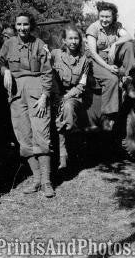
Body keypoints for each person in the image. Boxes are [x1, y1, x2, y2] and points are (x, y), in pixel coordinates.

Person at [0, 11, 55, 198]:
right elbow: (1, 63)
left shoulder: (39, 44)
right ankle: (36, 179)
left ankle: (47, 182)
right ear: (15, 26)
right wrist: (5, 70)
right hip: (15, 93)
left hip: (36, 89)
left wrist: (45, 95)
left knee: (41, 134)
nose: (22, 28)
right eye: (19, 25)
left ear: (31, 26)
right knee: (24, 136)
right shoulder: (8, 44)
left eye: (25, 24)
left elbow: (47, 72)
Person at [85, 1, 135, 130]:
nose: (104, 19)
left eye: (107, 17)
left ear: (113, 17)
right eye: (102, 16)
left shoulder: (117, 26)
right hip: (96, 61)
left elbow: (129, 37)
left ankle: (129, 79)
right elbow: (93, 53)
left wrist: (115, 44)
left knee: (128, 45)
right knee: (112, 79)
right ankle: (107, 115)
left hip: (111, 57)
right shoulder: (93, 28)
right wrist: (108, 68)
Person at [51, 25, 89, 170]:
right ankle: (58, 154)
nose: (73, 41)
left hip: (73, 96)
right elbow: (47, 73)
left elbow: (81, 85)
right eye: (70, 38)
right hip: (54, 93)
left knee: (67, 109)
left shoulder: (84, 60)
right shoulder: (55, 54)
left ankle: (64, 153)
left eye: (76, 38)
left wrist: (66, 96)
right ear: (64, 40)